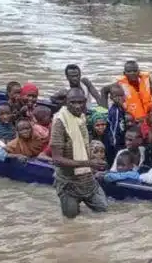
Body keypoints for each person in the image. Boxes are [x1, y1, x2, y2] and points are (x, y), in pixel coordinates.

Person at [50, 88, 108, 219]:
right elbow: (57, 159)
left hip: (87, 179)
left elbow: (103, 107)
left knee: (104, 211)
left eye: (80, 102)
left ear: (85, 102)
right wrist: (88, 163)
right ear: (66, 102)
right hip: (68, 182)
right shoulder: (60, 123)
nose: (77, 106)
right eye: (73, 102)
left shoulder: (81, 117)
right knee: (71, 219)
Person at [106, 84, 128, 164]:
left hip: (121, 139)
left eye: (121, 95)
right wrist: (115, 145)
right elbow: (114, 130)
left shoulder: (121, 108)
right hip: (116, 143)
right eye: (116, 96)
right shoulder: (115, 111)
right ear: (111, 97)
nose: (119, 98)